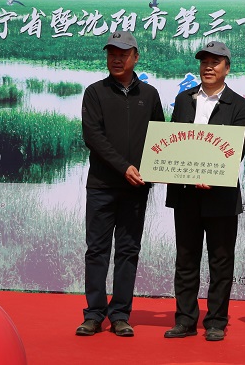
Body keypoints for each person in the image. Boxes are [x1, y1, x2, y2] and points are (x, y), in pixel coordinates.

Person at [76, 31, 165, 337]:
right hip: (101, 186)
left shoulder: (150, 95)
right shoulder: (95, 92)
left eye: (123, 54)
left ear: (135, 57)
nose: (116, 59)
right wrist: (123, 166)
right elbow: (93, 137)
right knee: (97, 250)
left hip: (135, 188)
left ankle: (120, 315)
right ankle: (94, 314)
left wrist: (152, 171)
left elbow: (160, 138)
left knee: (128, 251)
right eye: (111, 53)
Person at [163, 41, 245, 342]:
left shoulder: (239, 105)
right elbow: (174, 140)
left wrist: (211, 174)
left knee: (221, 261)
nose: (208, 67)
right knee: (186, 259)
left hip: (221, 194)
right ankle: (185, 319)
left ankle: (216, 321)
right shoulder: (184, 99)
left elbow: (236, 149)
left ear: (227, 67)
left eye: (215, 62)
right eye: (204, 62)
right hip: (186, 192)